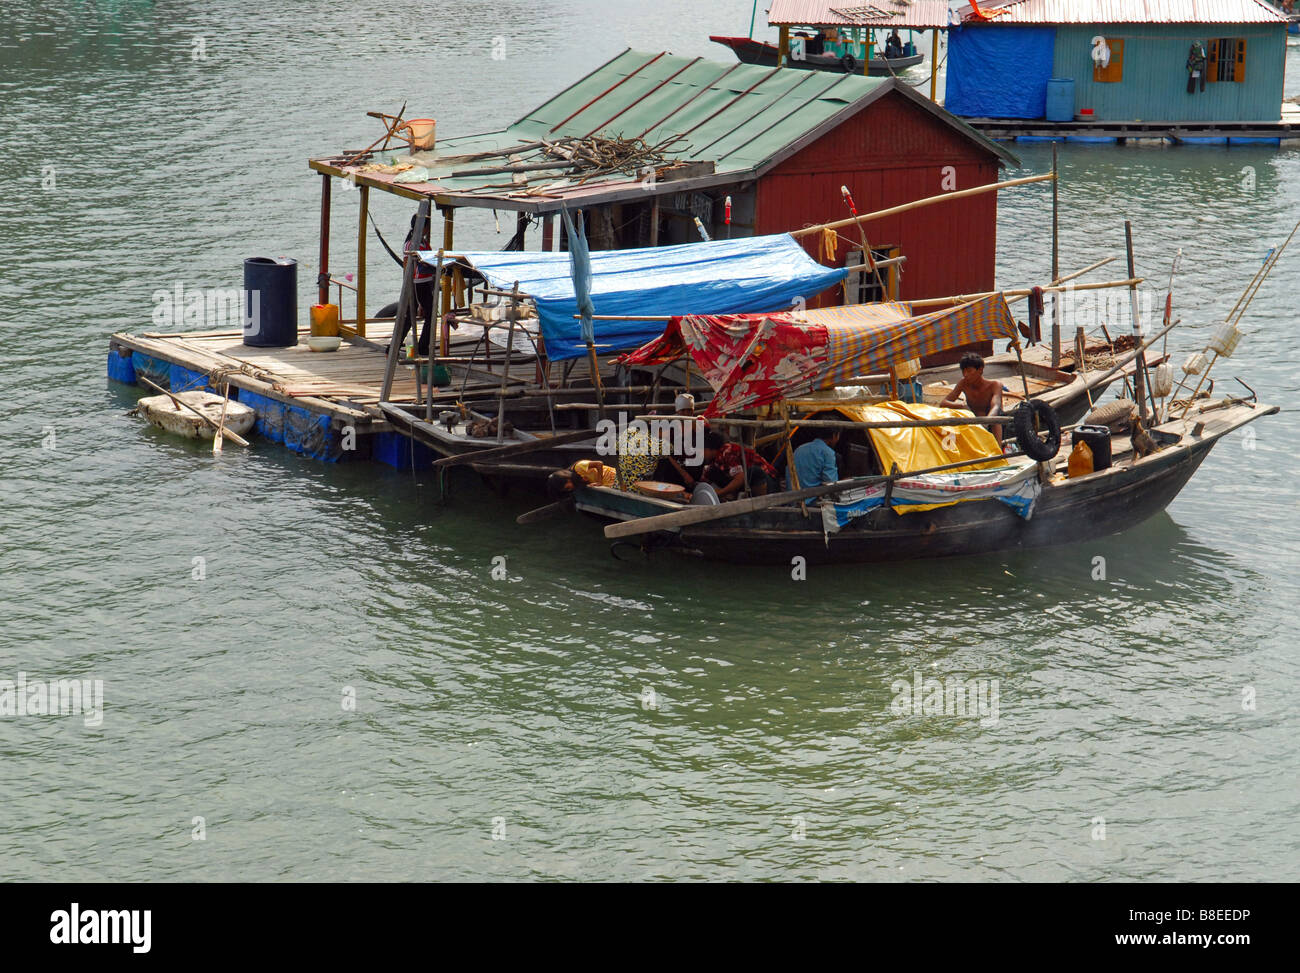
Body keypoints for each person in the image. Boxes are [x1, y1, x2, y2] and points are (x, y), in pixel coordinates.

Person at [939, 352, 1005, 443]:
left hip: (991, 423)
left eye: (969, 371)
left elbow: (996, 406)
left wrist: (987, 421)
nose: (965, 374)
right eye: (963, 371)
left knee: (996, 421)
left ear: (980, 370)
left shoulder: (995, 385)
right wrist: (961, 406)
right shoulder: (963, 383)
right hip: (973, 421)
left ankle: (998, 451)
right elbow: (943, 403)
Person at [395, 213, 435, 354]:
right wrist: (408, 286)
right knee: (416, 316)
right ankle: (422, 348)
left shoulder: (423, 243)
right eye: (427, 227)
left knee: (423, 315)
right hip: (417, 283)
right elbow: (407, 267)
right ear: (422, 227)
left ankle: (420, 346)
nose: (428, 230)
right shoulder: (411, 243)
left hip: (425, 282)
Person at [703, 431, 780, 500]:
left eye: (703, 450)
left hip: (769, 482)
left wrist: (719, 493)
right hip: (749, 483)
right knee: (711, 472)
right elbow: (704, 479)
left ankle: (760, 503)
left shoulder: (726, 452)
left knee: (753, 471)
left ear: (711, 449)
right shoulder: (714, 461)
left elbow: (739, 478)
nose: (702, 453)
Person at [787, 427, 841, 503]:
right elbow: (831, 483)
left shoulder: (799, 449)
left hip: (792, 500)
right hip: (811, 501)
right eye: (838, 435)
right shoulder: (828, 453)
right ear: (834, 435)